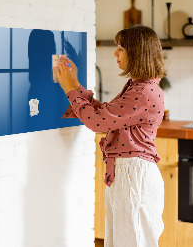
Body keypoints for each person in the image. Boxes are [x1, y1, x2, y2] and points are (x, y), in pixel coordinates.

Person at [54, 25, 166, 247]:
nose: (115, 53)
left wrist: (69, 89)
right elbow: (105, 114)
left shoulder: (143, 92)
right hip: (129, 174)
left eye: (121, 48)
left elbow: (97, 122)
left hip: (134, 176)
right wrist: (75, 84)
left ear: (137, 53)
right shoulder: (139, 87)